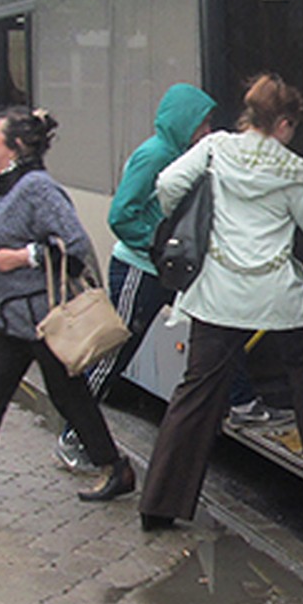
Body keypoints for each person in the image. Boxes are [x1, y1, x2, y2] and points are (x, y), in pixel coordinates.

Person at [139, 74, 303, 530]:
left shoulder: (215, 148)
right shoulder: (295, 169)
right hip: (278, 292)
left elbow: (168, 184)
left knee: (196, 394)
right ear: (283, 122)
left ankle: (160, 503)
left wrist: (203, 218)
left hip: (217, 292)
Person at [0, 108, 136, 502]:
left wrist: (22, 257)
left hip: (41, 319)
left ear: (17, 147)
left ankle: (116, 467)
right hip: (14, 320)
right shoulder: (6, 185)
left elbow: (74, 246)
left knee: (67, 395)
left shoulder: (37, 188)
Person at [56, 83, 216, 472]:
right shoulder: (155, 155)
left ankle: (242, 400)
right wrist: (160, 246)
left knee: (213, 332)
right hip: (140, 270)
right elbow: (121, 215)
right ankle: (72, 436)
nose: (207, 131)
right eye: (202, 123)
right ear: (184, 123)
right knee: (115, 352)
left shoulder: (184, 154)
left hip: (169, 267)